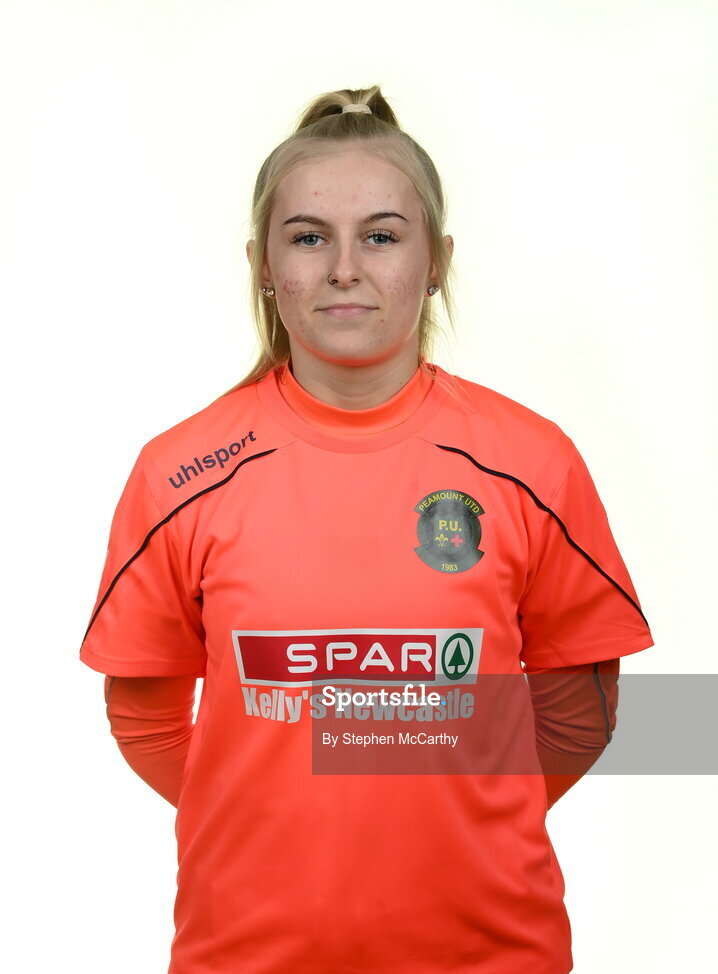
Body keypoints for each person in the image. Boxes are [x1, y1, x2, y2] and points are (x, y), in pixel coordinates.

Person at [80, 85, 654, 974]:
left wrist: (463, 818)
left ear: (435, 261)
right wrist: (268, 819)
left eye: (381, 236)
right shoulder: (179, 474)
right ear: (264, 265)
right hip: (246, 953)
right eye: (308, 237)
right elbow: (146, 721)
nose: (344, 267)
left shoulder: (531, 464)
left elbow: (578, 712)